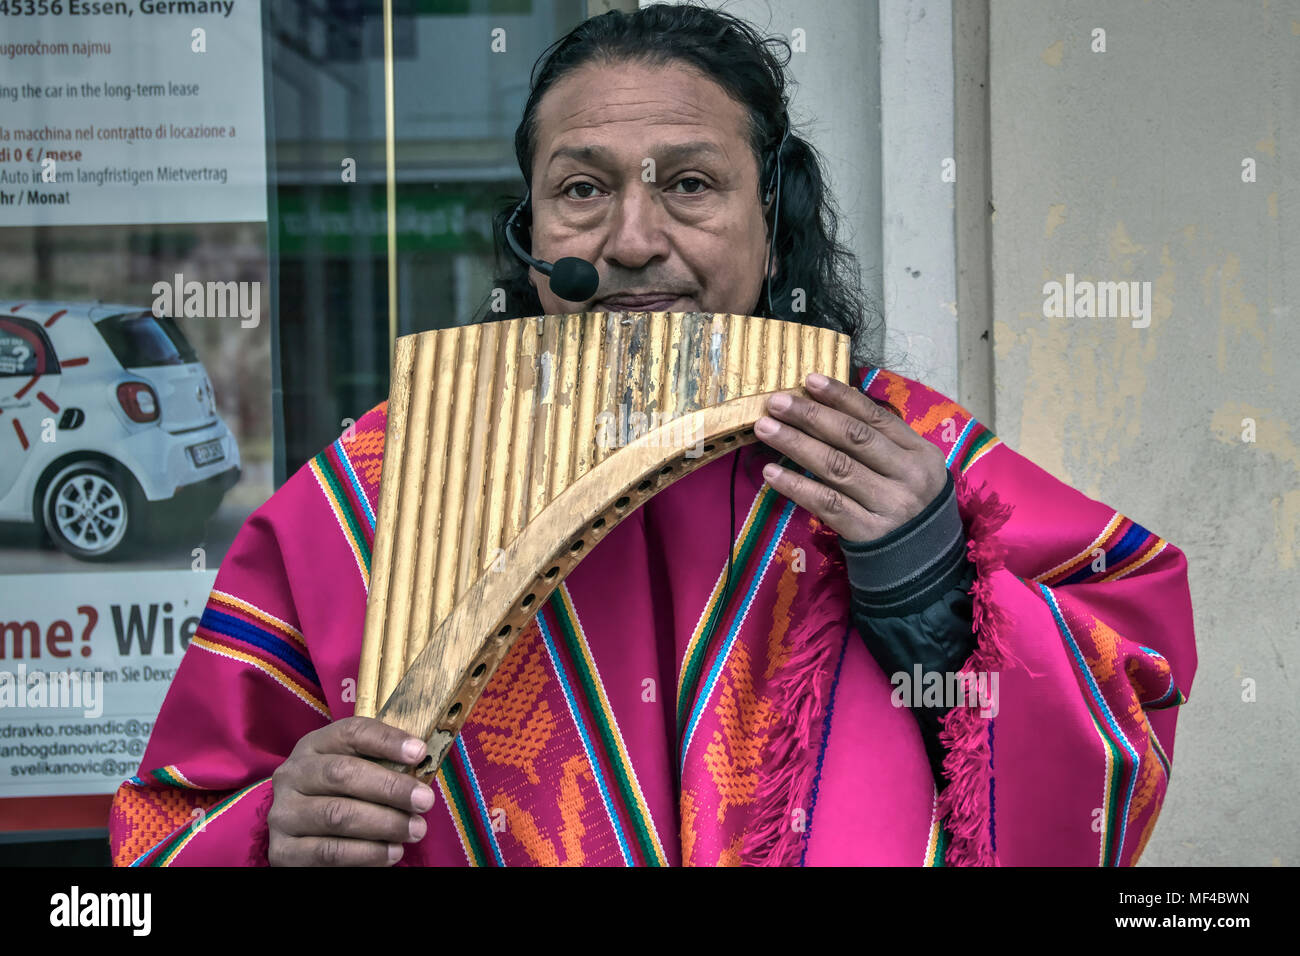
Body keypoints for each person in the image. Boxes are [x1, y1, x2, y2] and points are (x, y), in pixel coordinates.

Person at [108, 4, 1196, 867]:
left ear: (773, 225)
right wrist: (271, 827)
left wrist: (939, 601)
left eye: (689, 184)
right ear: (530, 232)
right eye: (581, 189)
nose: (631, 240)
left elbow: (1126, 699)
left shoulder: (909, 455)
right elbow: (162, 832)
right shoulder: (367, 500)